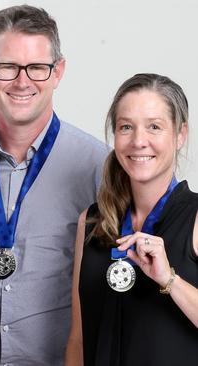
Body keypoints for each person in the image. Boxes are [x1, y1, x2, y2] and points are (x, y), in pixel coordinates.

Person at [0, 5, 109, 365]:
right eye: (8, 67)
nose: (22, 82)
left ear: (58, 72)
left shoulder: (99, 169)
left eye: (37, 68)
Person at [65, 73, 198, 365]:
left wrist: (169, 279)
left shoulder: (196, 216)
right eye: (126, 127)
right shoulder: (90, 221)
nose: (139, 141)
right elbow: (78, 338)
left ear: (180, 135)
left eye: (154, 127)